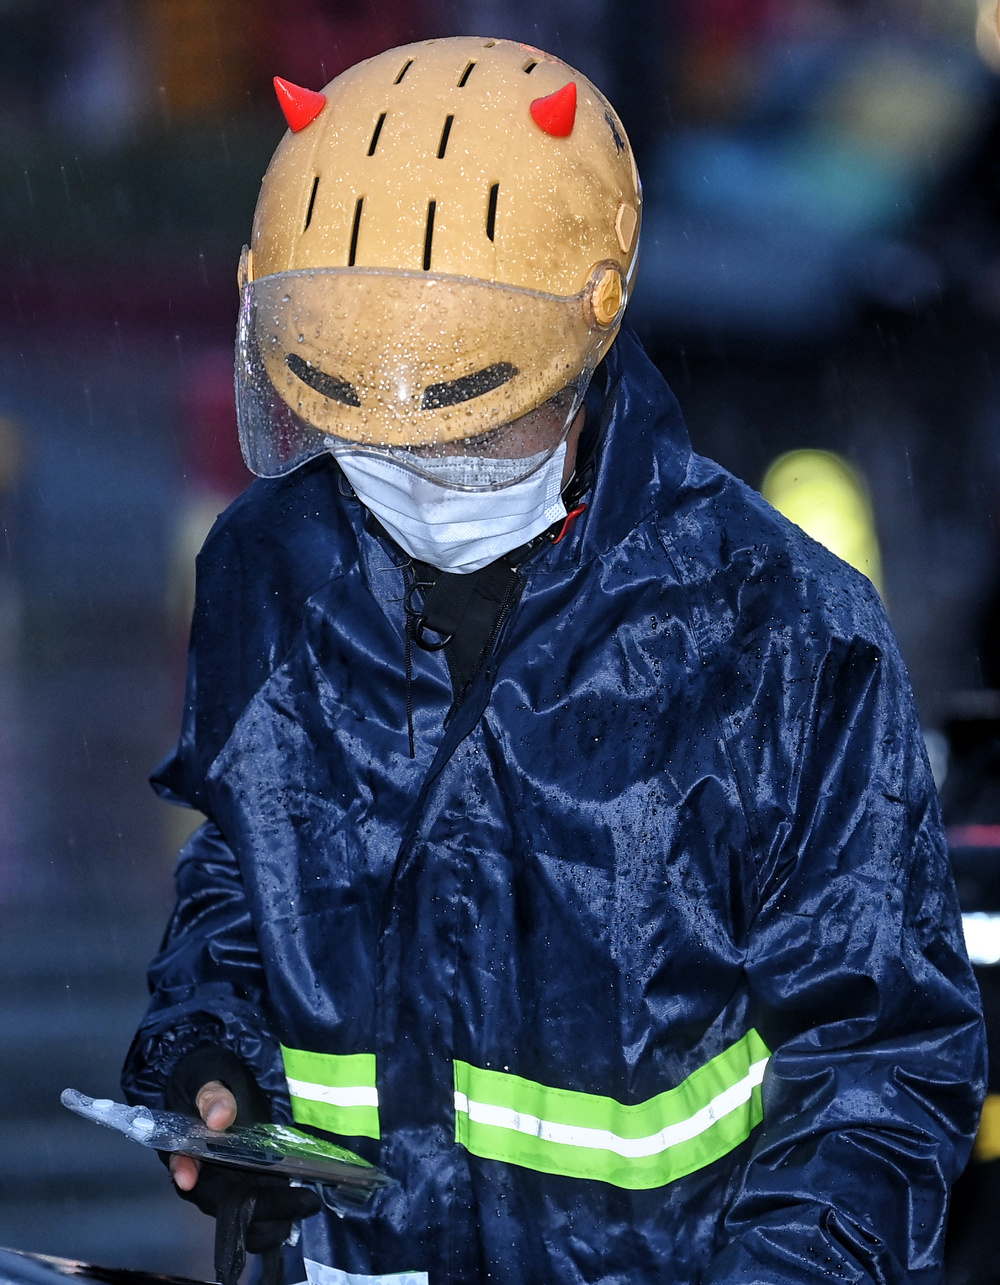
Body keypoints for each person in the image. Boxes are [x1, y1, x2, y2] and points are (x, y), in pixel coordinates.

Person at [122, 35, 986, 1285]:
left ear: (589, 326)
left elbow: (882, 1062)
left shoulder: (776, 633)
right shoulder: (273, 566)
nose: (411, 463)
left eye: (467, 418)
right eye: (351, 411)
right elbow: (240, 868)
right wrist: (210, 1054)